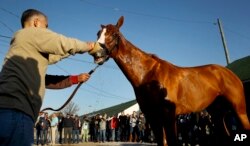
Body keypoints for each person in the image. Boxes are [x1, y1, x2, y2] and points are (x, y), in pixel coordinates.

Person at [0, 8, 102, 146]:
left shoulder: (23, 47)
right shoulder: (30, 33)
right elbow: (61, 43)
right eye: (46, 26)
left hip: (8, 113)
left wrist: (75, 79)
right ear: (36, 23)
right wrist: (89, 47)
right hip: (17, 114)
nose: (47, 30)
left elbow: (47, 72)